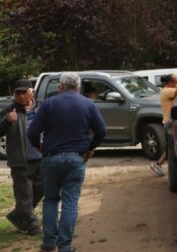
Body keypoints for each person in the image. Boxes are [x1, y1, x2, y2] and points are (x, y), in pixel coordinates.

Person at [28, 72, 107, 252]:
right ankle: (65, 246)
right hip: (75, 158)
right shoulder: (88, 104)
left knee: (50, 201)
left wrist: (39, 146)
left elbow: (32, 132)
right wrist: (90, 147)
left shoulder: (48, 104)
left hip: (51, 157)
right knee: (70, 202)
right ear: (78, 87)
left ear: (60, 86)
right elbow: (102, 130)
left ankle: (49, 244)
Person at [0, 79, 44, 235]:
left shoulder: (41, 109)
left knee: (41, 187)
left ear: (31, 92)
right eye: (17, 93)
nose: (20, 96)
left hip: (41, 158)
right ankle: (33, 225)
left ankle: (19, 216)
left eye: (23, 92)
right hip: (20, 161)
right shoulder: (9, 112)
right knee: (24, 194)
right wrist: (6, 122)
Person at [149, 73, 177, 177]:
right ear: (170, 82)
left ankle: (158, 164)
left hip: (170, 122)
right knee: (171, 148)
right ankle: (158, 164)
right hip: (170, 122)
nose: (176, 84)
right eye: (174, 82)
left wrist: (175, 80)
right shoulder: (166, 91)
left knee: (171, 147)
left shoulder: (167, 90)